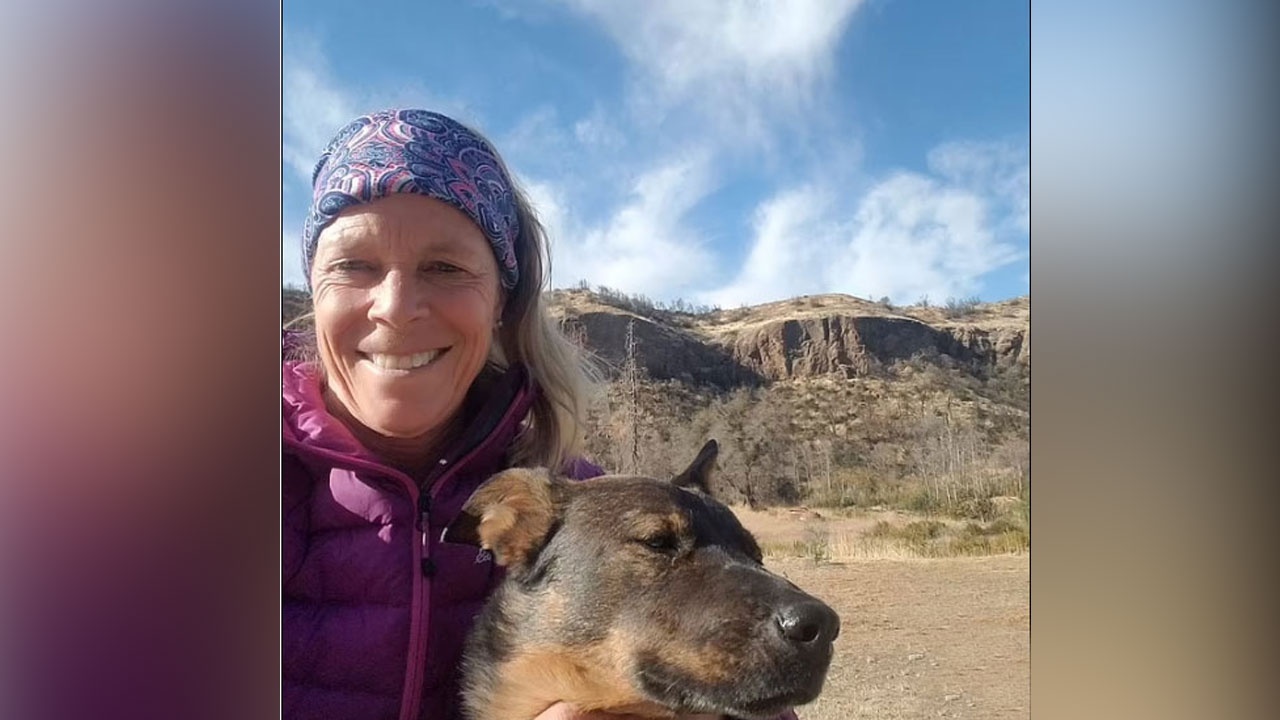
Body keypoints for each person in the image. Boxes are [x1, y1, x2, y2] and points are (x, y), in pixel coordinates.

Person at [282, 108, 795, 720]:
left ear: (502, 299)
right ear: (312, 286)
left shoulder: (584, 507)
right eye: (353, 265)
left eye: (445, 267)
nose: (395, 307)